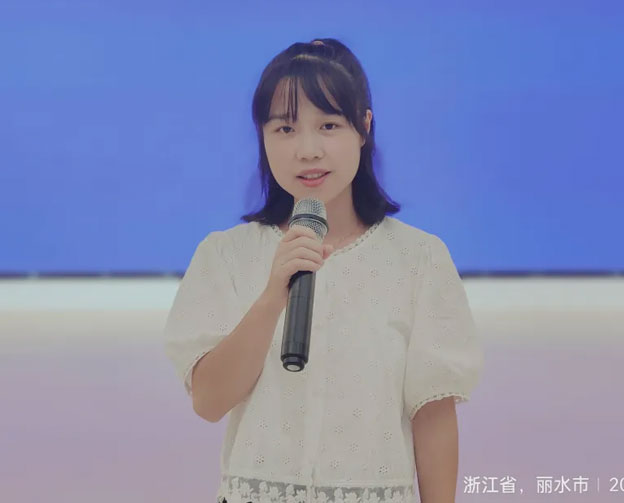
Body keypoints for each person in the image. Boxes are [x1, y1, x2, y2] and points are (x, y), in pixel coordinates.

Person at [163, 38, 483, 503]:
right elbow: (209, 402)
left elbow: (433, 416)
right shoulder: (225, 256)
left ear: (364, 127)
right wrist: (272, 297)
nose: (308, 150)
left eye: (328, 125)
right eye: (285, 129)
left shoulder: (419, 260)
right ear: (263, 137)